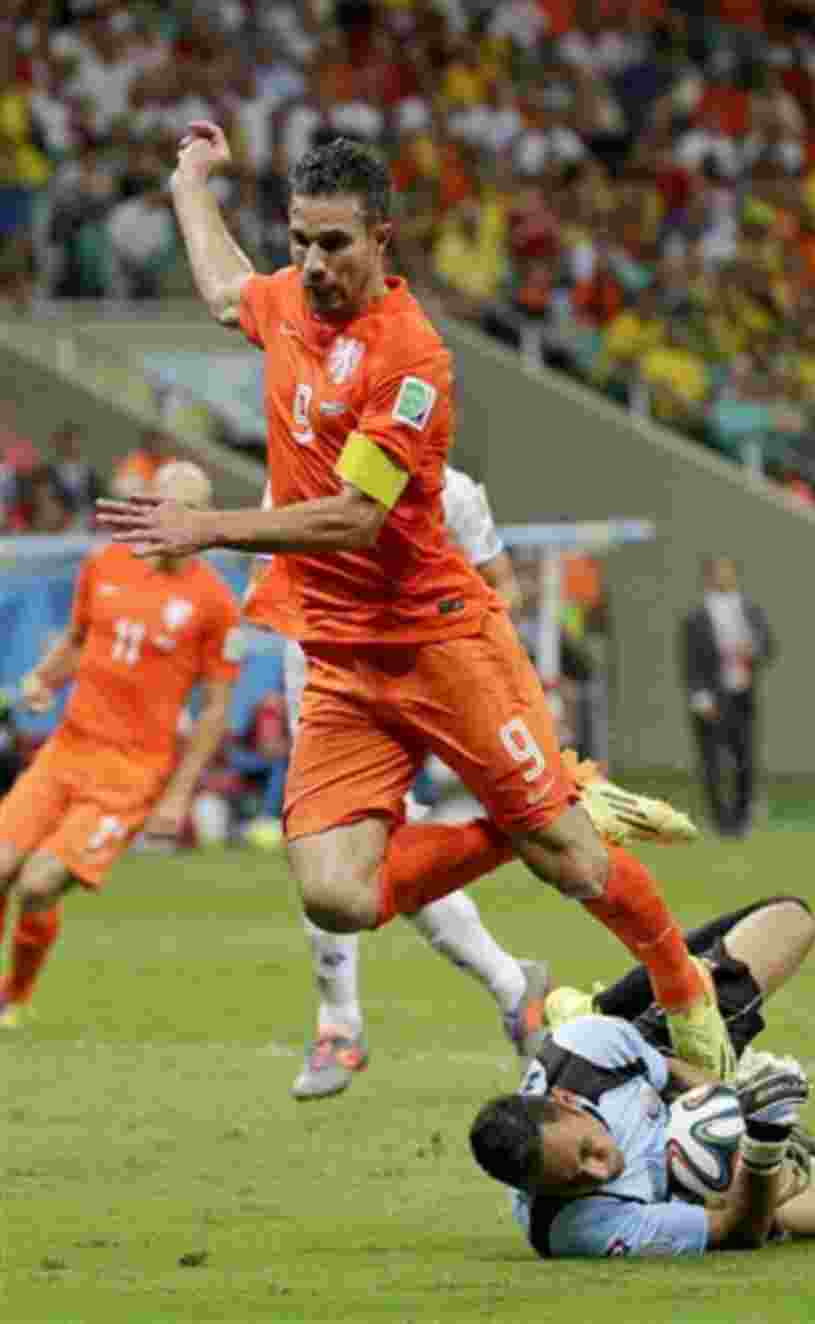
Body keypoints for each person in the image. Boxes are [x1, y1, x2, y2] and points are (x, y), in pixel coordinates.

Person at [97, 124, 734, 1079]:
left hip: (435, 642)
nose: (312, 263)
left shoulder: (410, 358)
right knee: (336, 897)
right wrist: (189, 182)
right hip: (344, 662)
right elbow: (229, 289)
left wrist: (209, 529)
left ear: (382, 237)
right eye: (301, 240)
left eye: (335, 243)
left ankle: (688, 993)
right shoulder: (286, 304)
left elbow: (355, 517)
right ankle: (539, 813)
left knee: (574, 864)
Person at [246, 463, 546, 1099]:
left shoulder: (454, 491)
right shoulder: (294, 476)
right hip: (324, 686)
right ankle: (511, 990)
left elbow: (502, 589)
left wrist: (474, 663)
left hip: (423, 682)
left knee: (355, 856)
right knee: (348, 851)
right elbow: (265, 581)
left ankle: (350, 1022)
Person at [469, 897, 815, 1259]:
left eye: (588, 1152)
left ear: (571, 1103)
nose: (600, 1171)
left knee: (789, 920)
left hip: (643, 1051)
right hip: (715, 1194)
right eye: (576, 1181)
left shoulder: (585, 1054)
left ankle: (592, 1004)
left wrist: (730, 1096)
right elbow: (737, 1232)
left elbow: (674, 1070)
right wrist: (762, 1143)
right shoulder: (577, 1229)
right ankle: (776, 1147)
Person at [0, 462, 244, 1026]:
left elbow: (213, 711)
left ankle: (13, 996)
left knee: (37, 885)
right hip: (65, 751)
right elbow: (76, 642)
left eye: (181, 510)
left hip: (129, 775)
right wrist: (43, 678)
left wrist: (180, 796)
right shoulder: (103, 563)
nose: (166, 519)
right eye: (160, 506)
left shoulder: (213, 602)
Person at [680, 556, 777, 838]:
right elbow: (690, 661)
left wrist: (753, 649)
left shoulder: (749, 610)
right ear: (709, 577)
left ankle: (741, 818)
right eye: (718, 573)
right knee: (711, 761)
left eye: (728, 572)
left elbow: (768, 645)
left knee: (745, 758)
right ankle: (719, 820)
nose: (724, 577)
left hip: (742, 693)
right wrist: (700, 697)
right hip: (712, 696)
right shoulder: (696, 616)